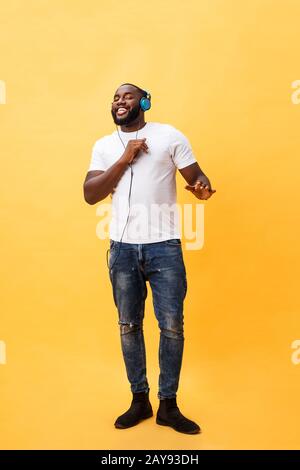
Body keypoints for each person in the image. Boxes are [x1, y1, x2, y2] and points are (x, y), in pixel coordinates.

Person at [83, 83, 216, 434]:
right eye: (115, 97)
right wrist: (125, 158)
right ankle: (139, 400)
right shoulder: (103, 146)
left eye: (127, 96)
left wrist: (202, 187)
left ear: (144, 102)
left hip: (164, 248)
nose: (119, 101)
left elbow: (197, 177)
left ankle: (168, 405)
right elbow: (90, 194)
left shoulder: (169, 135)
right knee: (129, 325)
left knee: (172, 326)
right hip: (122, 249)